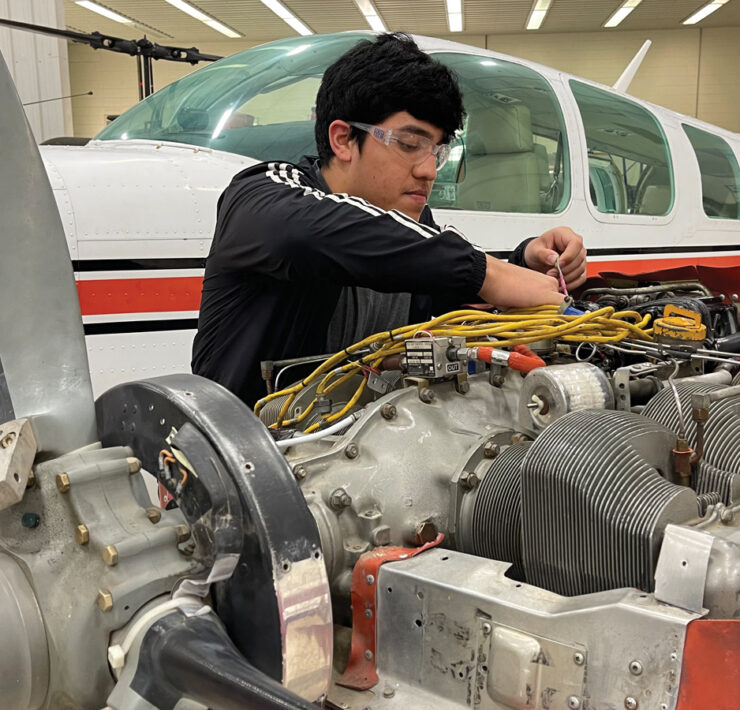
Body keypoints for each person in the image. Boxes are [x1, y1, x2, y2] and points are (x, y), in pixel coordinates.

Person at [192, 33, 586, 407]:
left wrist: (523, 262)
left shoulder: (409, 228)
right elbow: (299, 234)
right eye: (410, 145)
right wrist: (490, 275)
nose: (429, 170)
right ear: (344, 139)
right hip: (243, 461)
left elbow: (445, 280)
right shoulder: (262, 194)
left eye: (438, 151)